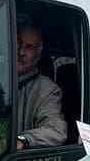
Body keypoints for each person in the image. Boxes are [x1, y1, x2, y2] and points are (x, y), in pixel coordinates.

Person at [14, 19, 66, 148]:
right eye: (18, 43)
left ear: (38, 52)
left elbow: (55, 131)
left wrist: (23, 140)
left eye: (29, 47)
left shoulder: (47, 90)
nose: (21, 52)